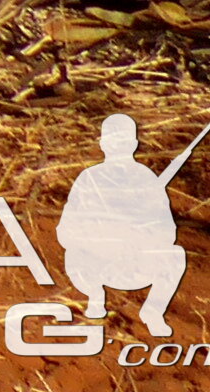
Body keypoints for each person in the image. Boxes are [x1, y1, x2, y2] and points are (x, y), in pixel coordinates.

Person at [58, 114, 189, 337]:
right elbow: (66, 231)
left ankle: (152, 311)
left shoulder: (146, 180)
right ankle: (95, 298)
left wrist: (136, 236)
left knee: (174, 254)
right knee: (75, 252)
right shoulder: (89, 178)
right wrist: (101, 237)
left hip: (135, 264)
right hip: (96, 264)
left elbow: (167, 233)